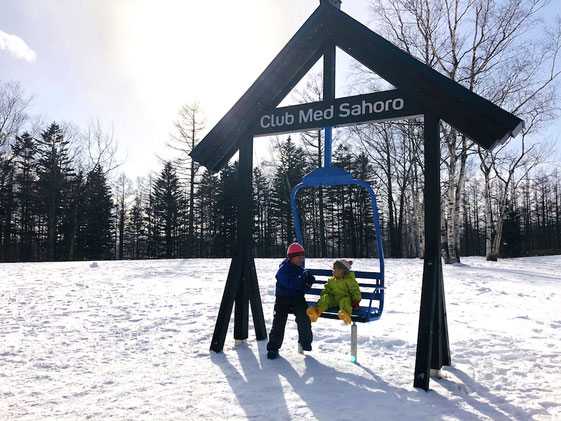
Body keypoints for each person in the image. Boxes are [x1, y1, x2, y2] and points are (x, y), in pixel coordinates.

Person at [266, 242, 315, 360]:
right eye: (298, 257)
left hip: (297, 298)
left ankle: (305, 341)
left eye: (302, 257)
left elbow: (302, 287)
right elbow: (289, 283)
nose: (301, 260)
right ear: (291, 257)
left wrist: (308, 282)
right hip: (283, 298)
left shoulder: (300, 270)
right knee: (279, 320)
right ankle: (273, 347)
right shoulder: (283, 269)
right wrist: (301, 279)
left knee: (304, 315)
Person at [306, 259, 361, 325]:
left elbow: (355, 290)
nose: (333, 271)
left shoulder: (349, 281)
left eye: (334, 269)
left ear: (341, 271)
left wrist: (356, 301)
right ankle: (316, 311)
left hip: (344, 298)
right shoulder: (331, 280)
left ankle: (345, 313)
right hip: (333, 300)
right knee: (326, 297)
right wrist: (323, 298)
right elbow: (326, 290)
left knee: (345, 300)